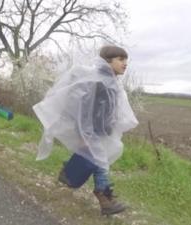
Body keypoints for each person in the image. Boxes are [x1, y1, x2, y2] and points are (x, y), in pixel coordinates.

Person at [33, 45, 138, 215]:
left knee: (95, 159)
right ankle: (104, 198)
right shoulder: (97, 81)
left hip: (100, 130)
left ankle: (69, 173)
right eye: (120, 59)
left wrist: (109, 126)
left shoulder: (112, 82)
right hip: (90, 130)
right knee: (101, 162)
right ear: (107, 61)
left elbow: (107, 110)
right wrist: (85, 133)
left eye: (126, 60)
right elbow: (85, 108)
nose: (125, 64)